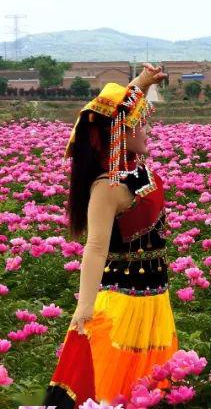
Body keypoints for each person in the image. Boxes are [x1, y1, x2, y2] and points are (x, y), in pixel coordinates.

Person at [43, 64, 177, 407]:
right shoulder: (107, 187)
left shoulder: (136, 169)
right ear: (121, 132)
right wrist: (84, 307)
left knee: (153, 388)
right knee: (115, 389)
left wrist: (143, 82)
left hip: (155, 297)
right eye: (140, 124)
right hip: (123, 303)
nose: (146, 129)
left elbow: (119, 110)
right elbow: (96, 246)